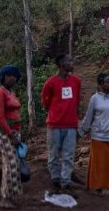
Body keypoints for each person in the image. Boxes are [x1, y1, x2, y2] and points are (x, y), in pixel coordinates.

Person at [41, 54, 82, 196]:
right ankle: (55, 181)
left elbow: (77, 102)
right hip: (54, 125)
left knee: (69, 155)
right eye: (69, 61)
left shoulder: (76, 81)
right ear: (61, 64)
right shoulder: (50, 83)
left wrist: (75, 120)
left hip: (71, 125)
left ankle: (65, 183)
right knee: (53, 154)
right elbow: (45, 103)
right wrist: (56, 114)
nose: (72, 62)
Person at [0, 65, 23, 209]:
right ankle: (5, 198)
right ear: (3, 76)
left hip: (14, 132)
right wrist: (11, 135)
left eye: (15, 76)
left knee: (12, 163)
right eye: (9, 75)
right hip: (4, 133)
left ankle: (11, 196)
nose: (13, 78)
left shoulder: (11, 92)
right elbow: (0, 118)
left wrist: (17, 134)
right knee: (11, 164)